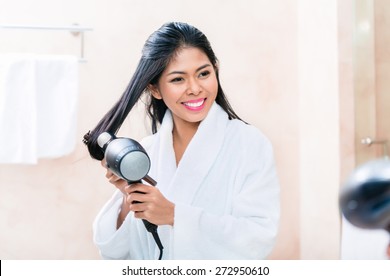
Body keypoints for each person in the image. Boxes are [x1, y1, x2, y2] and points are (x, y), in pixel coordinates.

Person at [83, 22, 280, 260]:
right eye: (178, 79)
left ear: (215, 70)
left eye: (204, 73)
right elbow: (113, 252)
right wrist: (130, 198)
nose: (195, 88)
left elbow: (258, 239)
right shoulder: (147, 151)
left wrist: (175, 216)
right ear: (155, 89)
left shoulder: (249, 144)